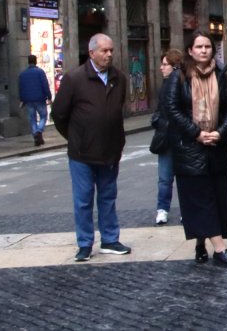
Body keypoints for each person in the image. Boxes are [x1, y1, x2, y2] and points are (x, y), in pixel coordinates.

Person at [162, 32, 227, 267]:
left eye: (208, 46)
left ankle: (201, 241)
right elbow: (172, 109)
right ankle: (219, 249)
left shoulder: (221, 76)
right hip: (189, 150)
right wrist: (196, 133)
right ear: (190, 50)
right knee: (201, 199)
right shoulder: (178, 78)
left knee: (217, 198)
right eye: (199, 46)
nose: (204, 50)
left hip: (217, 148)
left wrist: (220, 132)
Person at [53, 33, 132, 262]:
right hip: (82, 153)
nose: (109, 55)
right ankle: (85, 243)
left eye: (111, 51)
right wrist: (75, 137)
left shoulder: (119, 78)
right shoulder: (74, 79)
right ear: (91, 53)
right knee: (83, 199)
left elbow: (118, 108)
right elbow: (59, 114)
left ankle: (109, 239)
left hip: (110, 150)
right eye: (104, 51)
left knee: (108, 197)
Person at [151, 49, 184, 225]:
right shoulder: (164, 86)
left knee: (183, 177)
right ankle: (162, 209)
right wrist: (156, 120)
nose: (161, 68)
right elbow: (159, 109)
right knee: (165, 178)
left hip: (182, 138)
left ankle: (185, 210)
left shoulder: (184, 84)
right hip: (166, 138)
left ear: (174, 66)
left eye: (165, 64)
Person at [18, 55, 52, 146]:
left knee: (32, 118)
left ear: (28, 62)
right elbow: (45, 85)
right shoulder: (40, 72)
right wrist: (49, 97)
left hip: (28, 100)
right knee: (43, 116)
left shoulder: (23, 74)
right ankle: (39, 131)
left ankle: (36, 135)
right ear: (36, 61)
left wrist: (22, 99)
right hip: (39, 98)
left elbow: (21, 88)